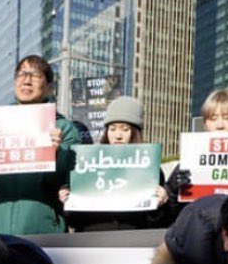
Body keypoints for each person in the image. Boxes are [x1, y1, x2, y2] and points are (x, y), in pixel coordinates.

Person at [0, 55, 81, 234]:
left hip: (43, 233)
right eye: (22, 74)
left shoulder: (64, 129)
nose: (27, 80)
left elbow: (67, 183)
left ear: (49, 87)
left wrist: (56, 154)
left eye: (35, 75)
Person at [59, 96, 171, 231]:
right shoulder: (86, 165)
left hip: (132, 241)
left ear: (135, 132)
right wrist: (67, 201)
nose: (118, 136)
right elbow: (73, 220)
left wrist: (160, 205)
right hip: (91, 241)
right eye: (112, 129)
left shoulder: (151, 169)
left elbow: (159, 222)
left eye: (124, 129)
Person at [167, 89, 228, 215]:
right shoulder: (188, 162)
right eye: (213, 118)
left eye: (227, 118)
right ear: (205, 124)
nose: (219, 125)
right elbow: (170, 214)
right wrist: (173, 190)